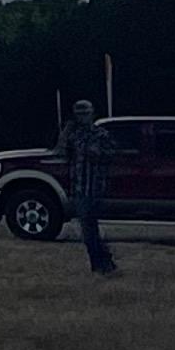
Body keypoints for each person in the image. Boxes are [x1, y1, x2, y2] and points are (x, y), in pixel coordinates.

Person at [61, 99, 120, 277]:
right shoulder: (75, 136)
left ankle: (103, 263)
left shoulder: (101, 134)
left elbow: (113, 155)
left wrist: (99, 154)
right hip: (79, 188)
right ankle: (100, 264)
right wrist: (64, 134)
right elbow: (63, 153)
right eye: (79, 114)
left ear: (92, 114)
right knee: (87, 231)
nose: (82, 117)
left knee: (90, 228)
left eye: (85, 113)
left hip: (94, 188)